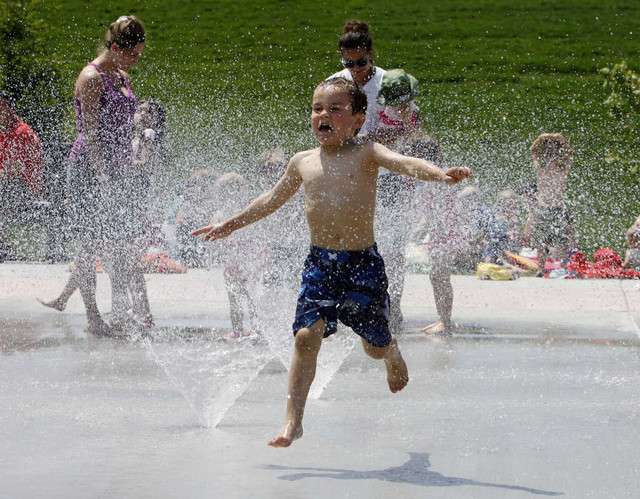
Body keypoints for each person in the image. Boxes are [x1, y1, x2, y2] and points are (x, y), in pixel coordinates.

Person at [192, 77, 471, 447]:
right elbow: (271, 200)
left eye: (335, 109)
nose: (323, 115)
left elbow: (405, 163)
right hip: (319, 264)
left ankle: (389, 349)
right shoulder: (303, 162)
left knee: (371, 346)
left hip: (362, 265)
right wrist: (231, 224)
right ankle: (293, 422)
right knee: (306, 338)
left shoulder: (368, 152)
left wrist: (440, 174)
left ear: (358, 118)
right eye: (317, 108)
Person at [38, 16, 145, 335]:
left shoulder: (122, 76)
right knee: (89, 244)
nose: (137, 59)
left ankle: (117, 311)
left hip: (118, 167)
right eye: (133, 53)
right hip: (90, 169)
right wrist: (103, 177)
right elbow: (92, 133)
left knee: (118, 242)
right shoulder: (91, 77)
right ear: (115, 47)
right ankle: (93, 317)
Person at [522, 133, 576, 275]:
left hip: (557, 208)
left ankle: (563, 267)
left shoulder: (560, 171)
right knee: (541, 241)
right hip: (544, 208)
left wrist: (560, 139)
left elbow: (570, 154)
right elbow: (533, 151)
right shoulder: (543, 170)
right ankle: (541, 269)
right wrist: (543, 138)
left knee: (564, 239)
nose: (553, 163)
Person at [0, 92, 44, 261]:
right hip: (7, 185)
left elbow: (22, 169)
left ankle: (3, 247)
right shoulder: (3, 132)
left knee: (6, 186)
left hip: (24, 187)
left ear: (10, 108)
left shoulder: (23, 133)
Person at [328, 20, 385, 138]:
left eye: (361, 62)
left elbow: (412, 122)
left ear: (370, 55)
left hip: (383, 149)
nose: (355, 68)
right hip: (345, 149)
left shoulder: (388, 82)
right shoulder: (332, 83)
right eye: (349, 63)